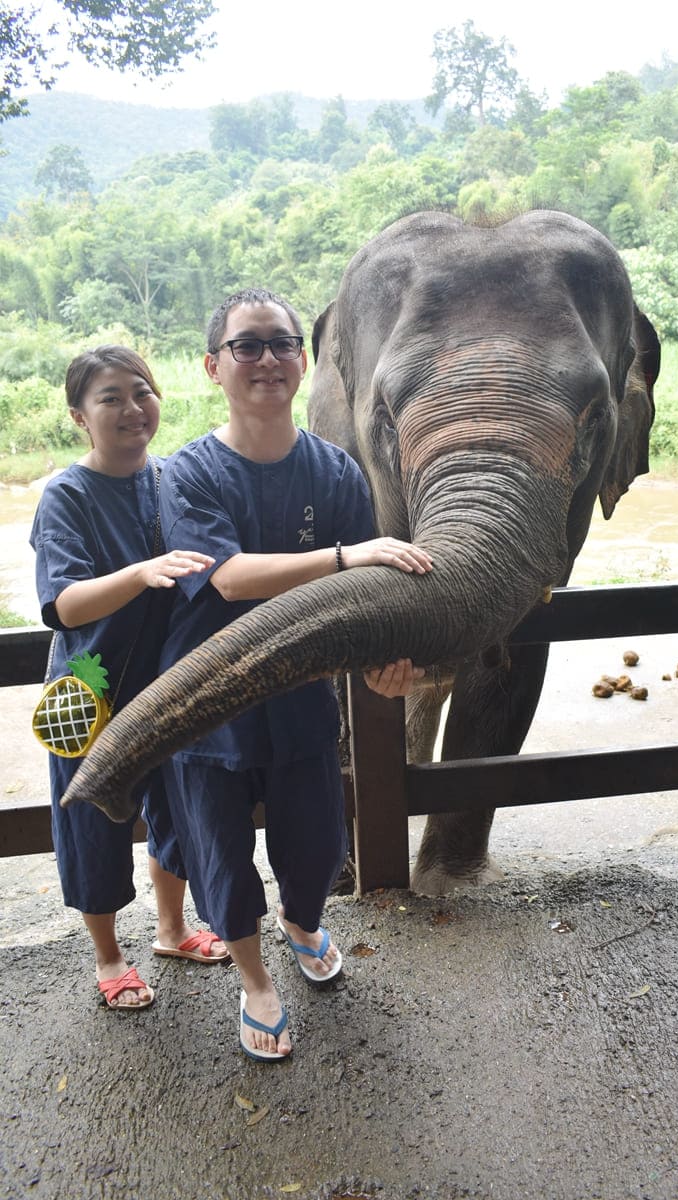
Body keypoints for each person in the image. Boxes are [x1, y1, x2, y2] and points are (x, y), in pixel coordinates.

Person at [158, 287, 431, 1061]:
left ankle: (303, 923)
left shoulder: (337, 475)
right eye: (247, 346)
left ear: (303, 360)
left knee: (313, 847)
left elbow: (361, 598)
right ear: (214, 367)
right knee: (221, 859)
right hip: (208, 708)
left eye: (281, 343)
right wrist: (350, 557)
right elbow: (231, 579)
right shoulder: (189, 475)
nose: (267, 359)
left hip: (302, 702)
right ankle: (255, 983)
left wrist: (385, 658)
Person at [30, 345, 230, 1012]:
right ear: (78, 417)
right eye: (110, 397)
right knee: (91, 826)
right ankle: (110, 957)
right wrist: (141, 574)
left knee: (176, 811)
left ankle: (172, 931)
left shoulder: (174, 480)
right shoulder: (67, 495)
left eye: (141, 391)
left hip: (166, 684)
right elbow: (63, 605)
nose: (130, 407)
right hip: (85, 689)